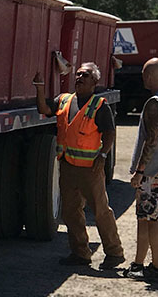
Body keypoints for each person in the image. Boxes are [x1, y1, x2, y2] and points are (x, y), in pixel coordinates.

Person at [33, 63, 124, 268]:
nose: (80, 77)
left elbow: (109, 133)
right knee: (71, 212)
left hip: (90, 168)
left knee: (100, 211)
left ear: (94, 81)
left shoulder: (99, 106)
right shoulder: (64, 100)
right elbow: (44, 109)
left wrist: (102, 156)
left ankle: (114, 253)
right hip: (68, 166)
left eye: (86, 75)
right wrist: (39, 87)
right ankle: (80, 253)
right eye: (78, 74)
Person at [122, 57, 158, 284]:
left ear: (152, 76)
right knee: (146, 218)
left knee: (152, 219)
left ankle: (156, 268)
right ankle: (139, 264)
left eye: (145, 74)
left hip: (153, 172)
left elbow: (152, 140)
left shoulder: (155, 102)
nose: (143, 78)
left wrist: (140, 171)